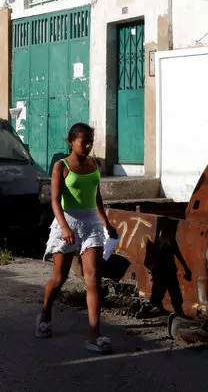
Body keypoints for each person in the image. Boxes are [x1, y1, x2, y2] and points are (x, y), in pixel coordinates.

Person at [36, 123, 118, 354]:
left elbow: (97, 196)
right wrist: (63, 227)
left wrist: (106, 223)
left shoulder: (95, 164)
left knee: (93, 278)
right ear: (71, 142)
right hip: (67, 223)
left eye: (91, 141)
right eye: (85, 142)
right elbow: (54, 200)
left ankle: (94, 332)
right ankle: (44, 314)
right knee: (59, 278)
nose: (89, 145)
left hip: (91, 223)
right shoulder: (61, 166)